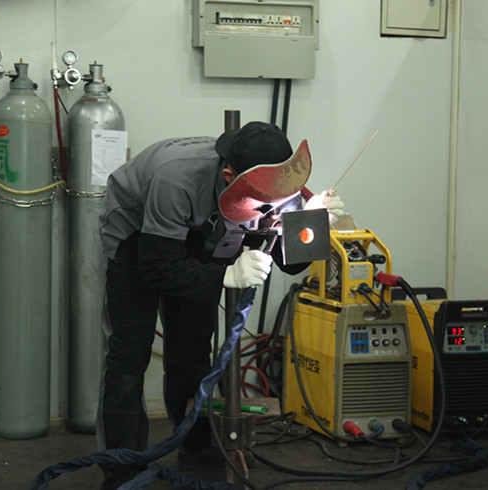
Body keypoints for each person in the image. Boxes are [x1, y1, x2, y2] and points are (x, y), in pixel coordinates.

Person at [96, 121, 343, 489]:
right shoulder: (176, 180)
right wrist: (225, 276)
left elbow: (290, 262)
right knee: (129, 354)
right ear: (230, 176)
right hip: (137, 233)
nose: (274, 208)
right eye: (267, 203)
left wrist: (313, 224)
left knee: (193, 345)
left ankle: (196, 443)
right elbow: (158, 267)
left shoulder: (275, 183)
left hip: (203, 227)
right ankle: (122, 467)